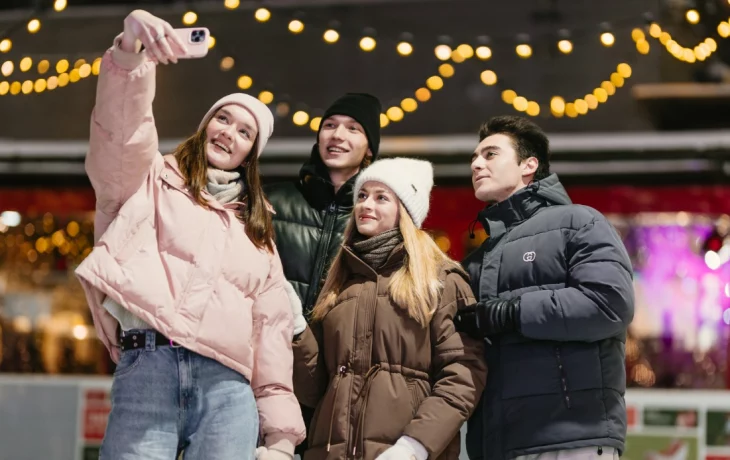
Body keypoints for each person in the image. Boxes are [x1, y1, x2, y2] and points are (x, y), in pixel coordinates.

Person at [74, 10, 304, 460]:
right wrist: (130, 50)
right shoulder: (149, 179)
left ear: (249, 155)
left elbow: (271, 334)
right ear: (205, 126)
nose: (230, 133)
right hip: (149, 369)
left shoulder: (257, 231)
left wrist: (280, 439)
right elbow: (121, 131)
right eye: (223, 119)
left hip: (228, 390)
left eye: (245, 132)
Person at [456, 115, 635, 460]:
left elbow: (609, 305)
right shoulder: (478, 260)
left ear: (529, 165)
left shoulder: (579, 222)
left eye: (490, 154)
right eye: (474, 158)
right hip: (496, 442)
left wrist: (511, 312)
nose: (477, 164)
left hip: (569, 438)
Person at [290, 158, 487, 460]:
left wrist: (414, 446)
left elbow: (463, 373)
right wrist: (298, 331)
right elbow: (314, 391)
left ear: (405, 211)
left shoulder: (440, 280)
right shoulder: (339, 286)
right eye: (362, 195)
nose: (366, 204)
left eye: (381, 197)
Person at [264, 92, 381, 455]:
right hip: (268, 371)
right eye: (329, 126)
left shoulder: (374, 217)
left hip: (335, 381)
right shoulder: (273, 202)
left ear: (370, 149)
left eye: (352, 128)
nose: (337, 135)